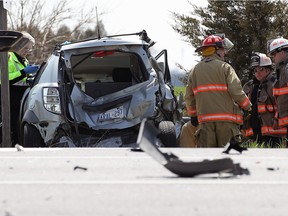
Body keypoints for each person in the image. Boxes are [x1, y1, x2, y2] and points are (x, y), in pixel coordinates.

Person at [184, 34, 252, 147]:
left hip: (205, 123)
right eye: (223, 50)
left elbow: (189, 97)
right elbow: (236, 90)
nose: (225, 53)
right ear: (217, 50)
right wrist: (248, 107)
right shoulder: (225, 67)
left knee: (208, 159)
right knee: (228, 157)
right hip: (226, 123)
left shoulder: (195, 71)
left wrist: (193, 115)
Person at [0, 32, 39, 144]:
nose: (28, 51)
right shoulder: (6, 56)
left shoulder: (24, 59)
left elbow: (21, 80)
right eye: (25, 48)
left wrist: (30, 78)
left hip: (19, 99)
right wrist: (23, 72)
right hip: (8, 98)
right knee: (8, 129)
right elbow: (4, 79)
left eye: (30, 49)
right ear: (18, 45)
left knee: (17, 128)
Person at [242, 52, 286, 147]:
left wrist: (276, 118)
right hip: (254, 133)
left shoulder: (275, 84)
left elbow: (282, 104)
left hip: (273, 133)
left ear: (268, 70)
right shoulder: (250, 86)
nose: (257, 73)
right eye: (255, 70)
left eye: (260, 69)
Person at [267, 37, 288, 145]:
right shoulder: (282, 69)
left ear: (283, 52)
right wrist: (277, 118)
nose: (273, 58)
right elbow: (282, 99)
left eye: (274, 54)